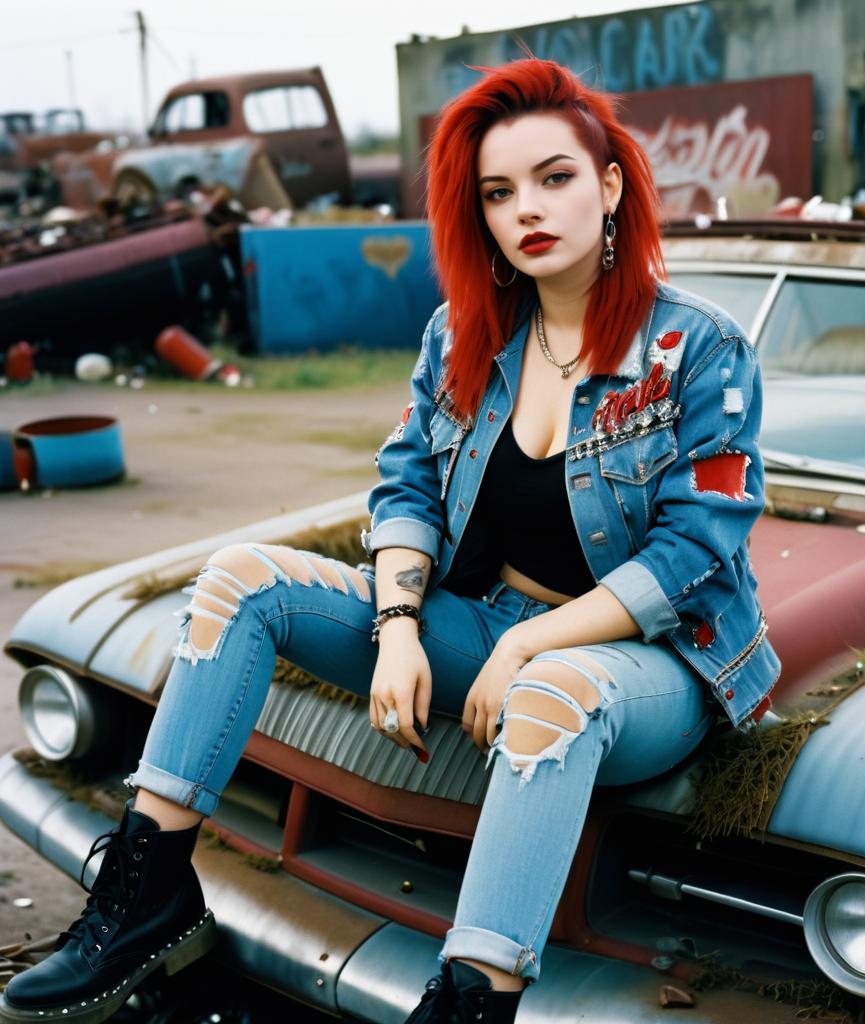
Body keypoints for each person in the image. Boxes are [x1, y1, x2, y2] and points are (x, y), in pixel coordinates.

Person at [0, 59, 780, 1024]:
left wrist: (536, 643)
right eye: (499, 192)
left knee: (551, 690)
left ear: (610, 184)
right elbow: (407, 483)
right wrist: (401, 625)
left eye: (555, 177)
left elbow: (695, 545)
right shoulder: (463, 333)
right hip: (482, 625)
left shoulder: (697, 347)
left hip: (648, 665)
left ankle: (471, 1003)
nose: (526, 209)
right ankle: (144, 899)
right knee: (241, 578)